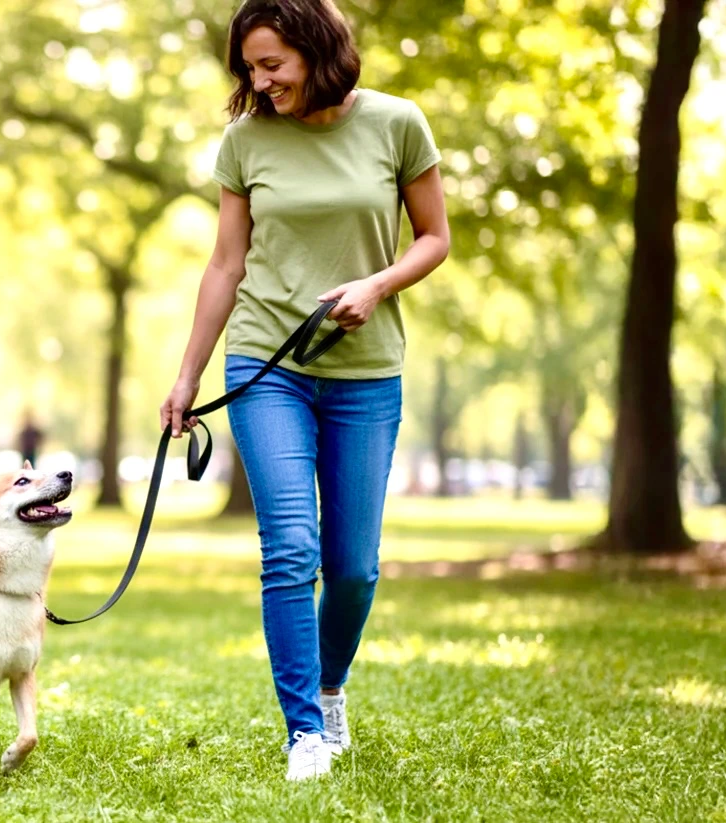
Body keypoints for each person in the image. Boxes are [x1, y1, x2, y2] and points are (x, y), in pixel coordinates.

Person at [159, 0, 449, 782]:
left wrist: (379, 285)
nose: (259, 81)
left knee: (354, 567)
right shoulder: (246, 140)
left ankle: (329, 690)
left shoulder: (396, 124)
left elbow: (435, 238)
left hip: (366, 370)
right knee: (291, 546)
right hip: (265, 366)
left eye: (272, 65)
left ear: (316, 50)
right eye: (250, 68)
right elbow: (225, 264)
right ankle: (304, 732)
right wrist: (187, 374)